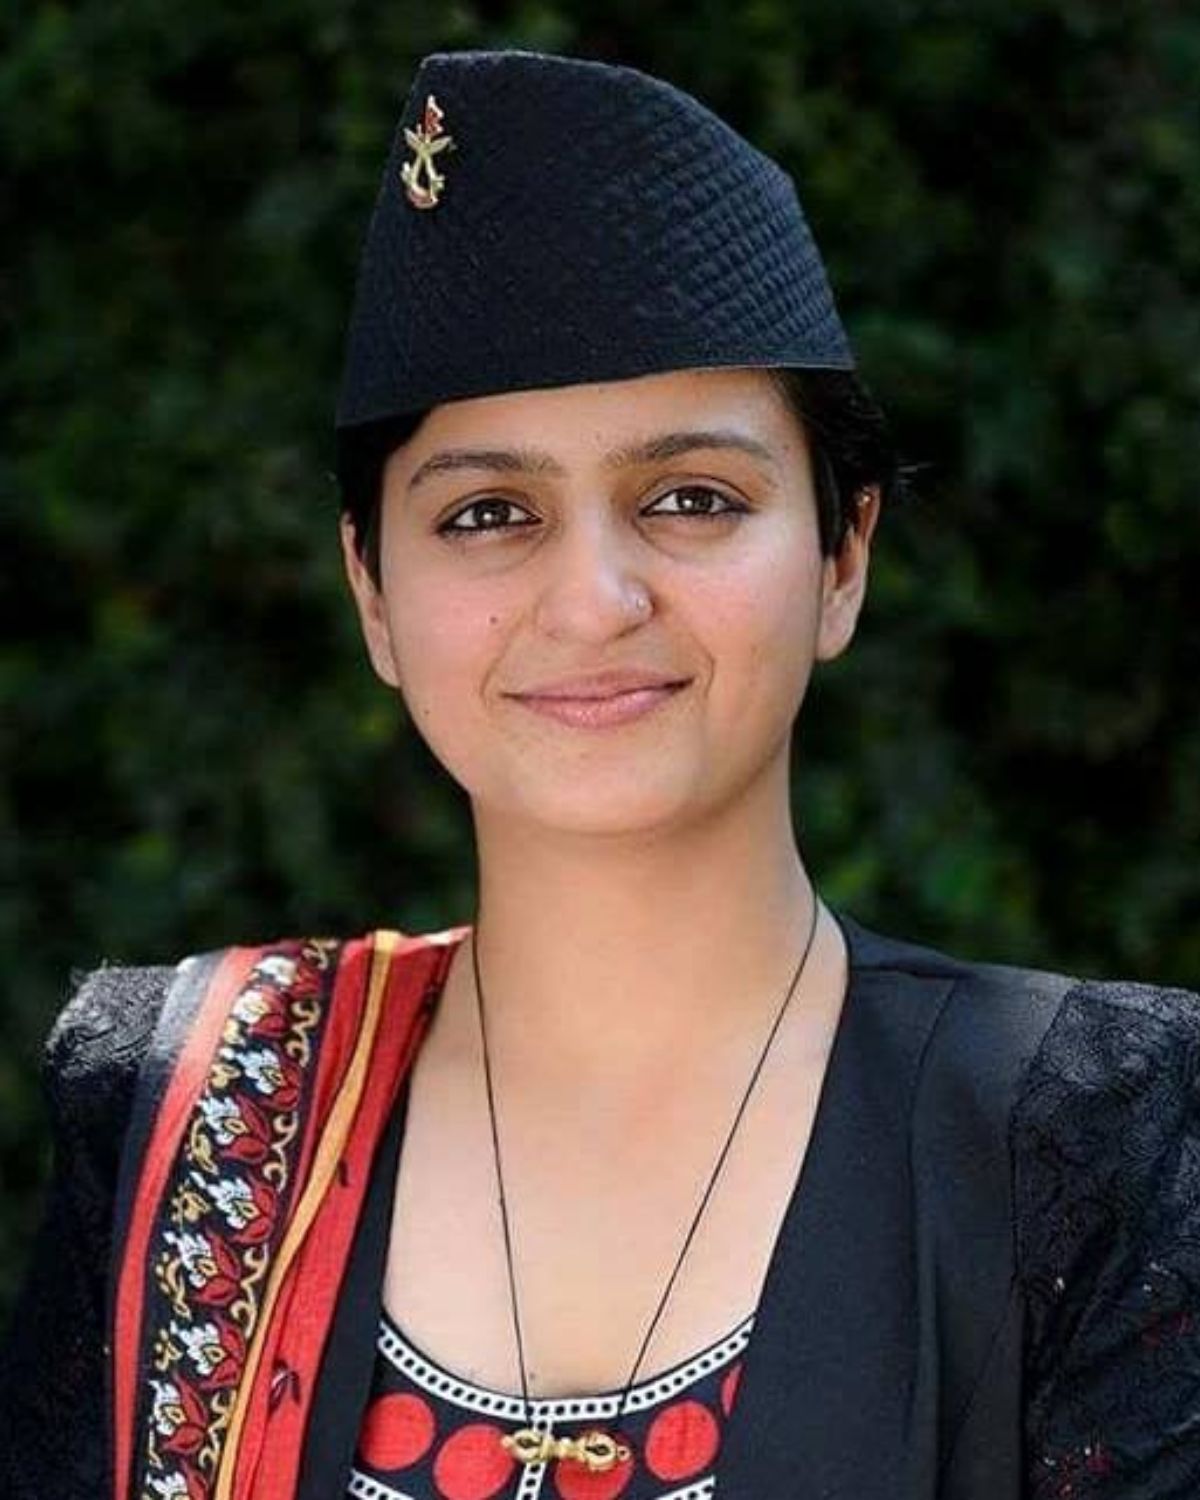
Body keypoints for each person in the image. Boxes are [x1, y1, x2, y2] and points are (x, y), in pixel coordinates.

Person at [2, 46, 1198, 1500]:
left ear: (843, 558)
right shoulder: (190, 1114)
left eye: (691, 498)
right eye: (487, 512)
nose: (591, 601)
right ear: (373, 594)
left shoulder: (1090, 1143)